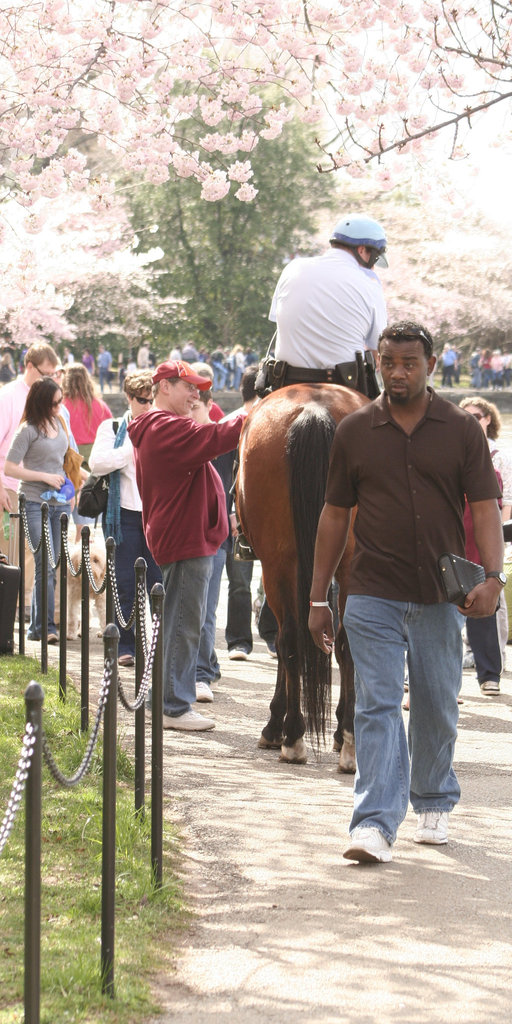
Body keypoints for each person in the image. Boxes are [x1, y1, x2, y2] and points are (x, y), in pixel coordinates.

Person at [308, 320, 504, 864]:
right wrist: (318, 597)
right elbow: (333, 514)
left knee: (438, 704)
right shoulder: (355, 431)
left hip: (443, 596)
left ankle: (434, 798)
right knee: (376, 703)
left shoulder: (462, 429)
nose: (397, 372)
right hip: (371, 589)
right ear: (376, 362)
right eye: (388, 362)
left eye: (409, 363)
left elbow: (485, 508)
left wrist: (494, 578)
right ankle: (373, 822)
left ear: (431, 366)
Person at [128, 359, 245, 731]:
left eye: (198, 387)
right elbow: (215, 439)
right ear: (164, 386)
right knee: (184, 621)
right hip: (185, 535)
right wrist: (256, 411)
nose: (197, 393)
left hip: (184, 534)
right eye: (188, 386)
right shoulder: (164, 426)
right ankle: (174, 706)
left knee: (179, 619)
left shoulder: (158, 425)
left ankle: (166, 700)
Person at [89, 370, 162, 668]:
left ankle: (160, 644)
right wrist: (131, 448)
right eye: (141, 400)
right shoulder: (114, 427)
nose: (147, 405)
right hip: (124, 517)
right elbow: (96, 463)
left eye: (151, 400)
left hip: (157, 514)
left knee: (160, 583)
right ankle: (126, 645)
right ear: (129, 398)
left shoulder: (162, 424)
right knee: (125, 583)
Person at [267, 213, 387, 393]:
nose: (374, 265)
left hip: (285, 383)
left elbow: (281, 322)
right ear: (362, 250)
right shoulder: (369, 283)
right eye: (375, 258)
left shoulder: (293, 268)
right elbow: (378, 349)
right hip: (343, 384)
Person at [4, 376, 73, 643]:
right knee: (44, 562)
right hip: (34, 502)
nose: (58, 407)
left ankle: (39, 626)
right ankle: (45, 627)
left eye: (61, 401)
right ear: (42, 402)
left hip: (59, 501)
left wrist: (68, 485)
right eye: (54, 403)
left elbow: (63, 460)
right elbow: (10, 467)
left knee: (53, 564)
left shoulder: (59, 422)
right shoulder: (28, 430)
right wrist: (43, 477)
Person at [0, 343, 66, 615]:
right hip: (12, 486)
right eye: (46, 372)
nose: (51, 377)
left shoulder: (50, 398)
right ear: (29, 366)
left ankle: (30, 608)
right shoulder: (8, 397)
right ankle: (11, 608)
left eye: (55, 373)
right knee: (12, 551)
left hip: (48, 491)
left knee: (38, 556)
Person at [460, 396, 512, 695]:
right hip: (453, 546)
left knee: (486, 612)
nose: (471, 422)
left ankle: (490, 673)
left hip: (482, 546)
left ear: (487, 418)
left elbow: (502, 503)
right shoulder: (448, 454)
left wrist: (499, 543)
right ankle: (437, 684)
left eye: (476, 416)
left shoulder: (496, 459)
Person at [62, 363, 112, 539]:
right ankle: (85, 557)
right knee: (87, 522)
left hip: (70, 460)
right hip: (93, 461)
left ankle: (73, 560)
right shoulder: (99, 405)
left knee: (66, 515)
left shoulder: (62, 405)